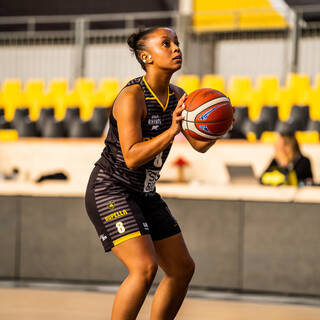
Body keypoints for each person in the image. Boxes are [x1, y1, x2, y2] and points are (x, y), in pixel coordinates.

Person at [85, 27, 232, 320]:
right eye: (166, 44)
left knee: (181, 269)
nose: (176, 48)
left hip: (145, 193)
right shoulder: (132, 97)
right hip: (111, 189)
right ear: (146, 56)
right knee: (144, 269)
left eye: (176, 42)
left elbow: (199, 146)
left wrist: (221, 126)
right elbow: (131, 157)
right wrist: (172, 130)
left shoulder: (180, 96)